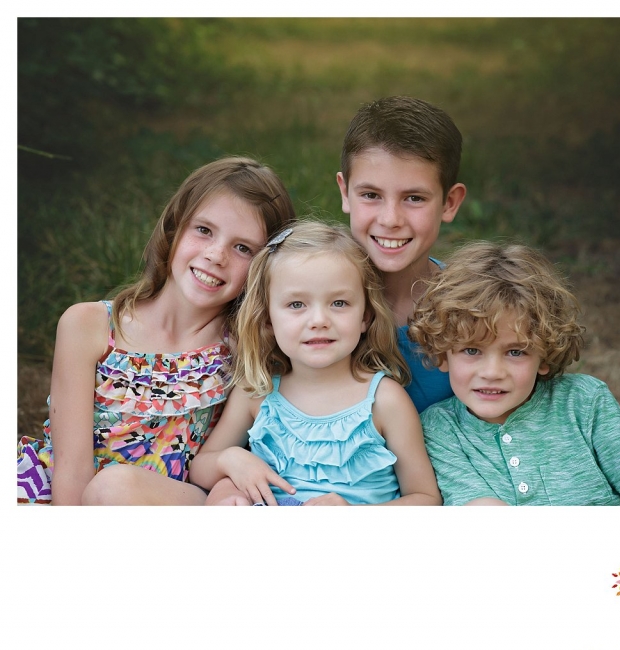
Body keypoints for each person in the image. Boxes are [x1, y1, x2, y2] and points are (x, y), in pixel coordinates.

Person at [16, 156, 296, 505]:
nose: (216, 255)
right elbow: (71, 473)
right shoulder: (89, 327)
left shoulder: (245, 348)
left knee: (116, 486)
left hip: (168, 502)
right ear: (174, 228)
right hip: (73, 499)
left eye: (243, 248)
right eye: (204, 230)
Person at [190, 220, 441, 506]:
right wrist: (230, 461)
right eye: (297, 305)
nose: (319, 321)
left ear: (365, 317)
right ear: (268, 320)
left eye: (339, 303)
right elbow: (200, 469)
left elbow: (426, 498)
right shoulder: (257, 392)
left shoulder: (385, 401)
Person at [408, 241, 620, 506]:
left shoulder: (584, 400)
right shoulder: (438, 428)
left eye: (515, 352)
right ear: (442, 354)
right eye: (471, 350)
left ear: (544, 356)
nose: (492, 372)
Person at [336, 95, 467, 413]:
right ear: (345, 193)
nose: (390, 219)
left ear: (449, 203)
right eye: (370, 195)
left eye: (414, 198)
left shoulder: (474, 309)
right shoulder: (311, 303)